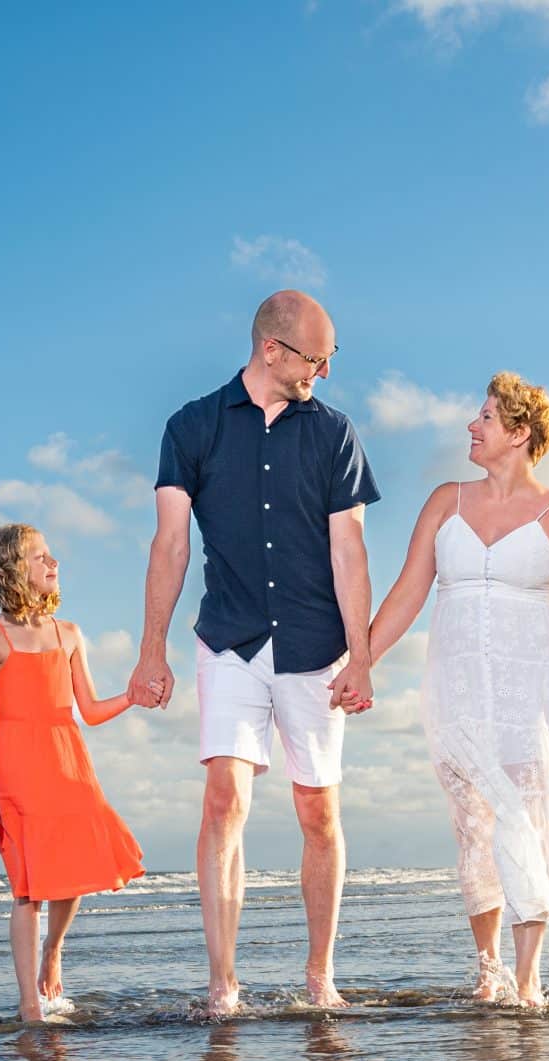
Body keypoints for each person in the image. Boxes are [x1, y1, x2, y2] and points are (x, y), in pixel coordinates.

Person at [129, 291, 379, 1016]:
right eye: (316, 357)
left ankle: (318, 975)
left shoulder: (334, 433)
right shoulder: (192, 426)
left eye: (332, 358)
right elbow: (170, 543)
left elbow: (350, 551)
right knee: (224, 799)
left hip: (315, 646)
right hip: (230, 640)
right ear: (273, 350)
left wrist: (361, 657)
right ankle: (222, 983)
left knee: (318, 814)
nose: (325, 371)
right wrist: (152, 651)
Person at [367, 373, 549, 1007]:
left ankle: (526, 976)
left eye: (487, 417)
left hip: (532, 688)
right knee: (473, 826)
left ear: (519, 434)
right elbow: (408, 590)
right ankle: (487, 965)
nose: (473, 424)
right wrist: (363, 662)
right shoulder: (446, 501)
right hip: (456, 686)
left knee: (522, 817)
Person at [0, 523, 145, 1024]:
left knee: (70, 867)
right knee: (27, 887)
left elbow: (87, 709)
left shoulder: (68, 634)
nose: (54, 563)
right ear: (13, 570)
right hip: (16, 773)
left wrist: (131, 696)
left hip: (68, 765)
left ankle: (54, 950)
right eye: (42, 556)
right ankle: (30, 1003)